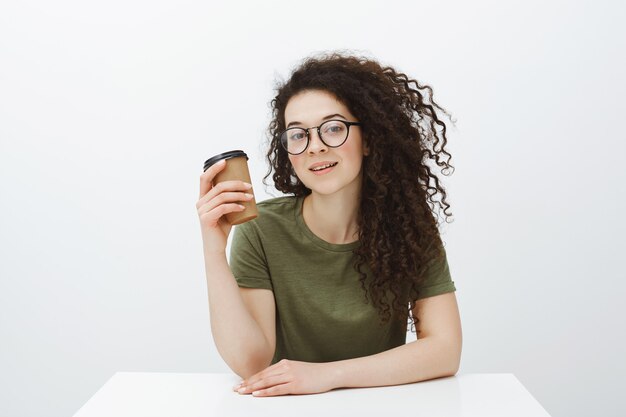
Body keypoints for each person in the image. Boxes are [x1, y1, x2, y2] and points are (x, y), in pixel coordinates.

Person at [196, 51, 462, 397]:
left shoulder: (409, 226)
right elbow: (252, 362)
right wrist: (214, 251)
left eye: (334, 128)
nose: (315, 147)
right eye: (298, 134)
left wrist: (328, 376)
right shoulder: (262, 229)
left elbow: (445, 350)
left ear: (369, 139)